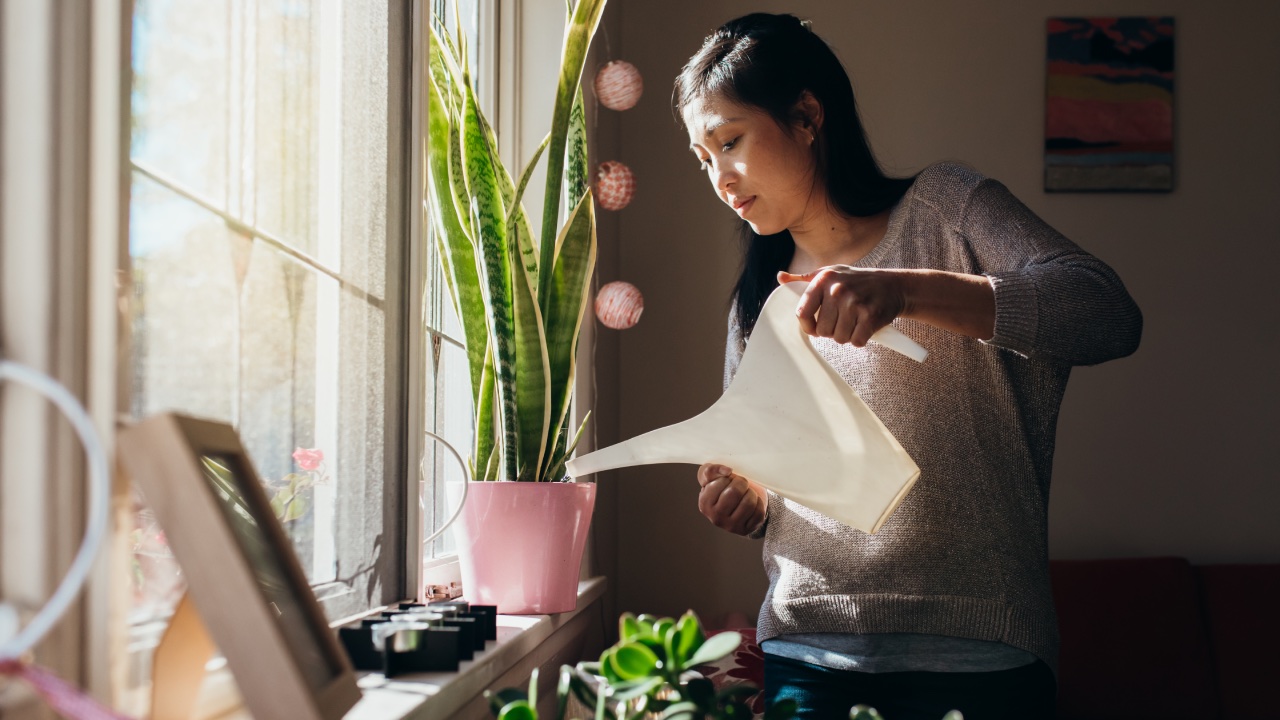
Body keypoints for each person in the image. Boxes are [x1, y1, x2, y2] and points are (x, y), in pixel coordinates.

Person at [675, 13, 1142, 720]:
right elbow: (759, 471)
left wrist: (904, 290)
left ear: (806, 116)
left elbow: (1106, 311)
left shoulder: (947, 208)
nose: (719, 177)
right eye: (702, 158)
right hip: (806, 653)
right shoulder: (756, 299)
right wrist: (742, 496)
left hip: (981, 654)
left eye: (730, 142)